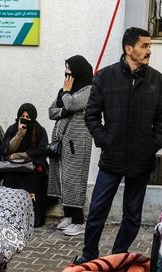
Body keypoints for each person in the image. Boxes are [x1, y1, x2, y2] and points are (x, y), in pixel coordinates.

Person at [75, 27, 162, 264]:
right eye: (144, 46)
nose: (149, 51)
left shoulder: (156, 80)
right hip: (112, 157)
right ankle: (89, 257)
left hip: (141, 159)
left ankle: (116, 258)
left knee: (132, 216)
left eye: (150, 46)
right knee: (97, 211)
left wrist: (153, 143)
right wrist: (105, 141)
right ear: (129, 49)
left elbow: (161, 117)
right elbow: (91, 115)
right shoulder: (105, 77)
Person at [48, 55, 94, 236]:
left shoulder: (89, 90)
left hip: (77, 143)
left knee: (74, 180)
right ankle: (68, 215)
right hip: (62, 143)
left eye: (70, 69)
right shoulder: (65, 90)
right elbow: (52, 112)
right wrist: (66, 106)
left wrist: (67, 96)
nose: (67, 74)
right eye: (66, 69)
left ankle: (79, 221)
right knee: (63, 179)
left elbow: (74, 103)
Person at [1, 103, 49, 227]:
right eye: (23, 116)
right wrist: (20, 134)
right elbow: (7, 150)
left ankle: (32, 218)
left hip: (32, 166)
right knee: (10, 179)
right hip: (14, 168)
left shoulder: (39, 130)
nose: (25, 119)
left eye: (28, 117)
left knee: (34, 180)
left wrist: (21, 155)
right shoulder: (13, 129)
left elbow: (42, 150)